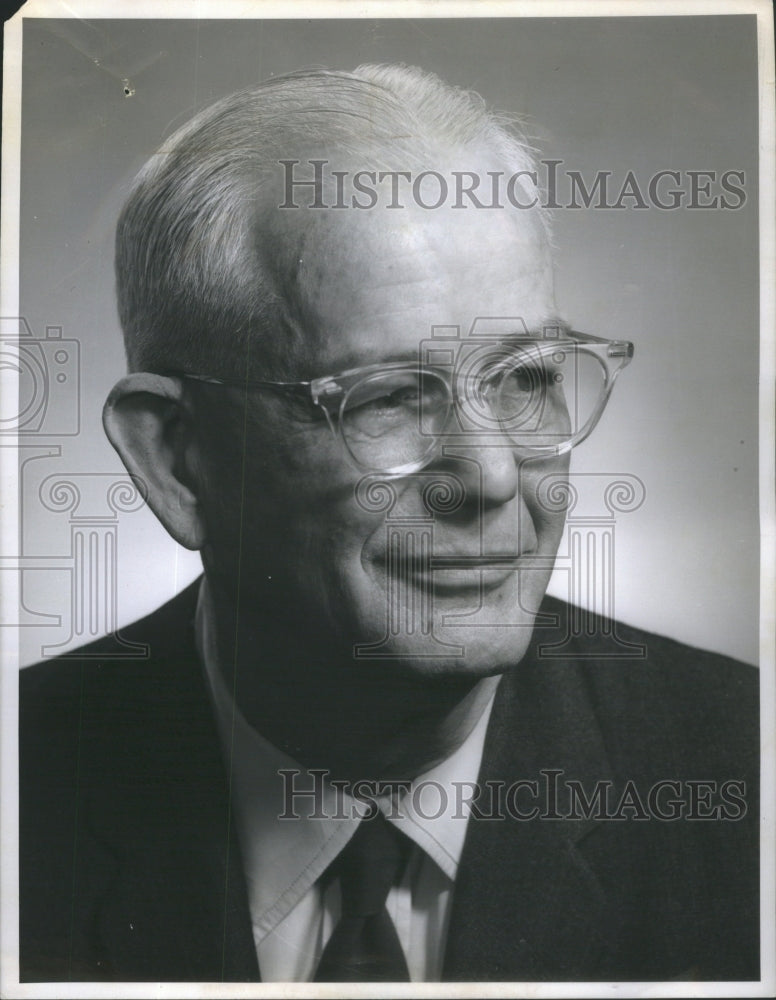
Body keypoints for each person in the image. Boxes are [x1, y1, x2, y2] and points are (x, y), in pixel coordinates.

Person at [19, 65, 758, 983]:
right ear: (178, 460)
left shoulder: (744, 777)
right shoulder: (26, 787)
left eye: (525, 377)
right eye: (391, 399)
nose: (490, 476)